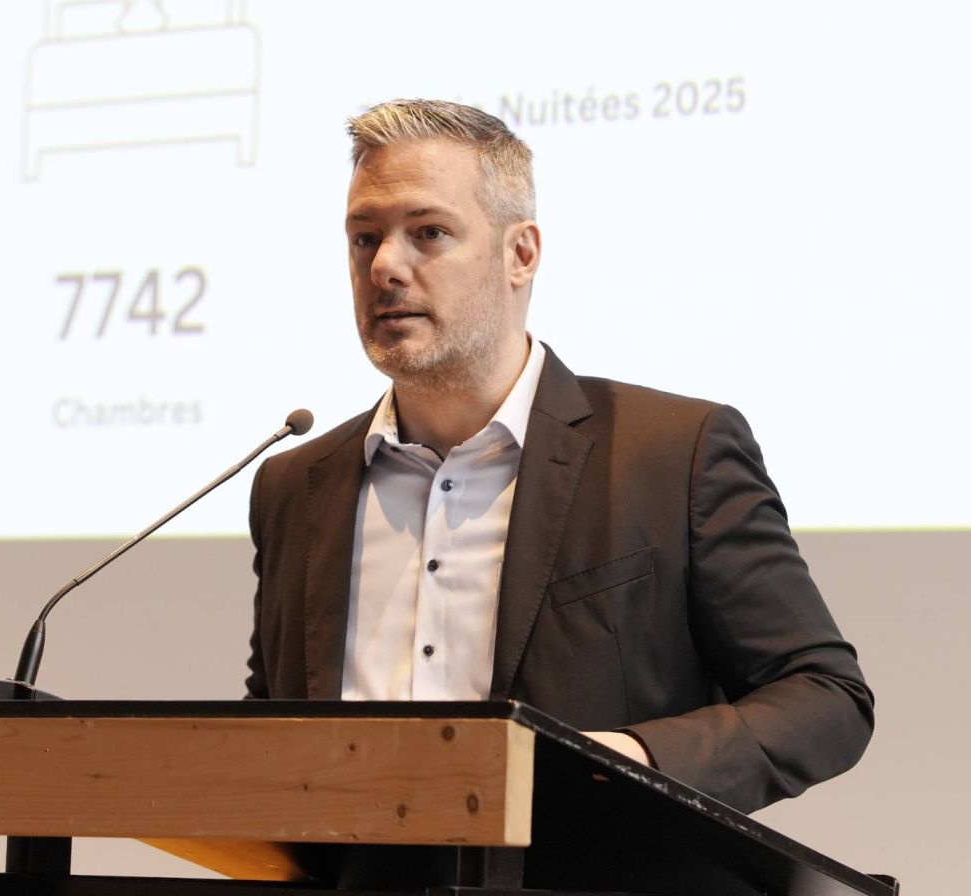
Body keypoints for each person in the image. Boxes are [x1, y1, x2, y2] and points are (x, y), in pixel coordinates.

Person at [245, 98, 873, 816]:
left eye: (429, 232)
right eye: (365, 238)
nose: (385, 265)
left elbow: (823, 697)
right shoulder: (294, 485)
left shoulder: (672, 456)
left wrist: (631, 762)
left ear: (520, 254)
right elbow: (272, 727)